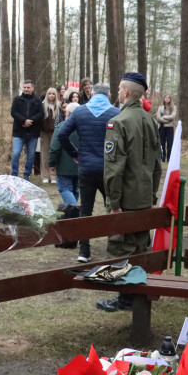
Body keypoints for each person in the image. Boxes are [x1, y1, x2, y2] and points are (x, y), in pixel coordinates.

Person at [97, 73, 162, 313]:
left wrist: (114, 203)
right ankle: (136, 296)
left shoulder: (118, 122)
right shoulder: (150, 121)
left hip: (126, 199)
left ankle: (126, 299)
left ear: (126, 92)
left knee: (121, 248)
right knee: (141, 247)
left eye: (118, 89)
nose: (117, 93)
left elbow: (114, 169)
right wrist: (152, 195)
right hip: (144, 197)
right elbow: (157, 165)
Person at [58, 83, 119, 262]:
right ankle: (114, 246)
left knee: (85, 211)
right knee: (113, 208)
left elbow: (62, 134)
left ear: (91, 94)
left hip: (86, 168)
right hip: (109, 169)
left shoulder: (79, 112)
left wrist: (74, 154)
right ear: (109, 96)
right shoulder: (116, 113)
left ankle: (84, 252)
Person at [48, 102, 81, 205]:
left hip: (64, 167)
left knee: (65, 189)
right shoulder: (85, 127)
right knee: (76, 190)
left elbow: (54, 147)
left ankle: (76, 210)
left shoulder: (62, 126)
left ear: (68, 113)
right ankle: (73, 212)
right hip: (81, 165)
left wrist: (51, 163)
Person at [10, 79, 43, 179]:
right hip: (19, 132)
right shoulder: (17, 99)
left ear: (32, 88)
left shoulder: (38, 101)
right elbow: (13, 112)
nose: (26, 89)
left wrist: (30, 121)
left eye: (28, 87)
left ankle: (26, 175)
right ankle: (14, 175)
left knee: (31, 155)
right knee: (16, 154)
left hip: (33, 133)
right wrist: (23, 121)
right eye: (24, 87)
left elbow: (41, 114)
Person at [38, 87, 61, 182]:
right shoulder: (42, 105)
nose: (51, 96)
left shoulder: (59, 106)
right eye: (49, 94)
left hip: (56, 132)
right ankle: (45, 175)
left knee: (54, 152)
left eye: (53, 94)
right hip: (45, 132)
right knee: (45, 153)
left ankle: (53, 175)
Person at [154, 95, 177, 162]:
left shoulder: (173, 107)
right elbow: (158, 118)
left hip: (169, 127)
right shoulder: (160, 107)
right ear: (164, 98)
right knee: (161, 143)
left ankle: (169, 158)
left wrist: (163, 117)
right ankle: (162, 157)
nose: (167, 99)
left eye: (168, 97)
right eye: (166, 97)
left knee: (170, 143)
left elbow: (172, 117)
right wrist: (165, 119)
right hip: (161, 127)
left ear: (170, 99)